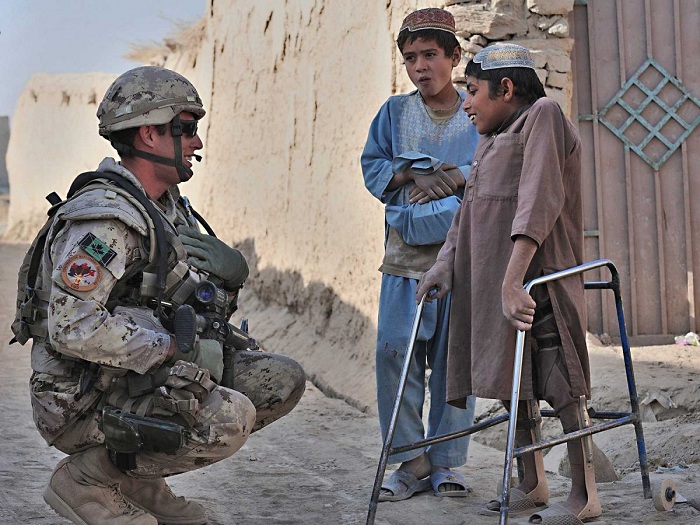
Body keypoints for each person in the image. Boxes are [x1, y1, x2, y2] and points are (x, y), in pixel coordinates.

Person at [14, 66, 305, 525]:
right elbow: (73, 328)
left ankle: (135, 480)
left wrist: (229, 280)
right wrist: (170, 348)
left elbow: (196, 306)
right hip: (77, 397)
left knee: (279, 379)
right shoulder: (107, 221)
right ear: (149, 133)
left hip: (129, 376)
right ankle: (87, 479)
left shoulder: (164, 210)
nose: (197, 142)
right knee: (227, 418)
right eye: (185, 129)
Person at [417, 44, 603, 524]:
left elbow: (540, 198)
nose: (466, 104)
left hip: (538, 282)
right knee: (511, 381)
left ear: (505, 88)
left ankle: (584, 494)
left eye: (473, 91)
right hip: (497, 284)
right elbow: (469, 212)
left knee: (561, 383)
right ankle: (532, 482)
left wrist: (514, 279)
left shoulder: (543, 115)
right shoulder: (490, 138)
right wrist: (444, 264)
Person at [361, 7, 479, 503]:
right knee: (395, 355)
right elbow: (373, 168)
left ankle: (446, 461)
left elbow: (496, 166)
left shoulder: (476, 111)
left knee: (454, 365)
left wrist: (455, 177)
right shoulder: (393, 113)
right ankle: (411, 462)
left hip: (460, 263)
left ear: (454, 56)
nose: (420, 67)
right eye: (411, 58)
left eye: (430, 55)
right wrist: (413, 174)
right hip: (405, 262)